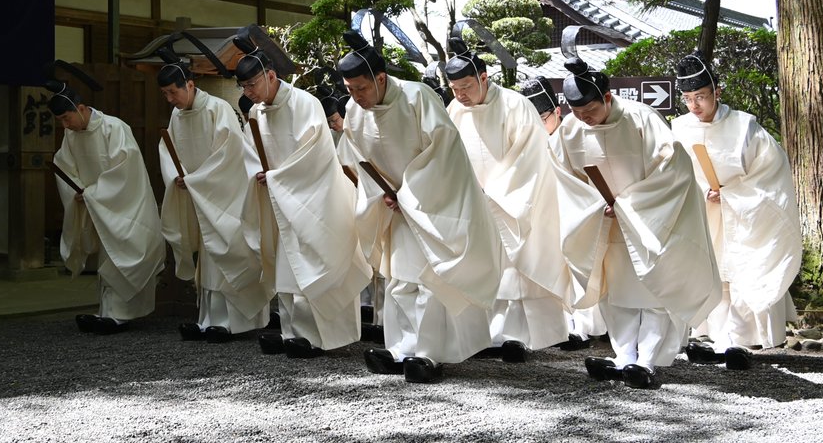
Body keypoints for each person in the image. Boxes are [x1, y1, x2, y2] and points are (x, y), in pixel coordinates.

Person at [337, 31, 502, 383]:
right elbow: (357, 159)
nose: (356, 97)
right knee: (401, 278)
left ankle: (428, 353)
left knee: (429, 280)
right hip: (396, 207)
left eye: (361, 88)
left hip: (433, 203)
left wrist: (408, 193)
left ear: (381, 78)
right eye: (350, 90)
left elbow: (442, 153)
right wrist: (380, 192)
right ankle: (402, 348)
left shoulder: (417, 97)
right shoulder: (354, 111)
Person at [549, 58, 721, 388]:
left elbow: (673, 167)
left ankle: (647, 360)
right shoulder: (571, 129)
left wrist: (628, 204)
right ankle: (624, 355)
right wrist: (592, 205)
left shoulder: (641, 118)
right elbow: (563, 175)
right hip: (604, 224)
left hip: (649, 221)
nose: (584, 119)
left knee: (655, 288)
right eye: (577, 113)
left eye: (590, 111)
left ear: (607, 98)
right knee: (616, 293)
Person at [235, 38, 370, 358]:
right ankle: (292, 332)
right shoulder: (255, 112)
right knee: (286, 267)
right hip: (279, 199)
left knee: (312, 262)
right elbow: (250, 152)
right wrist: (260, 176)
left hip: (312, 200)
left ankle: (317, 337)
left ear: (270, 75)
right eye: (243, 87)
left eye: (252, 84)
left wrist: (277, 177)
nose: (248, 92)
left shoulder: (304, 103)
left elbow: (314, 155)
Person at [445, 41, 574, 361]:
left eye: (466, 87)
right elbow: (449, 156)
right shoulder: (454, 111)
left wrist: (496, 194)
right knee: (481, 268)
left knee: (517, 268)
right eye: (454, 89)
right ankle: (484, 335)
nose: (460, 95)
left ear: (484, 77)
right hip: (474, 202)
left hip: (512, 201)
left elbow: (530, 157)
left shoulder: (516, 105)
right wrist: (467, 192)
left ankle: (519, 337)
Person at [670, 52, 801, 359]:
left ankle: (742, 338)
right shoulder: (679, 128)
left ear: (717, 92)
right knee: (710, 270)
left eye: (700, 97)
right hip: (702, 210)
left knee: (744, 269)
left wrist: (732, 194)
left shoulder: (744, 127)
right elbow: (672, 172)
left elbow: (771, 171)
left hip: (744, 211)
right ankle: (715, 335)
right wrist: (700, 191)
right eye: (688, 99)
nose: (694, 106)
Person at [156, 56, 272, 342]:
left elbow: (228, 154)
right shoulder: (176, 116)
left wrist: (195, 180)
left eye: (173, 91)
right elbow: (169, 151)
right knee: (209, 258)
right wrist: (177, 176)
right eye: (165, 94)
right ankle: (209, 318)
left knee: (228, 251)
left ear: (190, 84)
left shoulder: (218, 109)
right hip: (200, 194)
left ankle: (232, 322)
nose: (170, 99)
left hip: (225, 196)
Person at [49, 81, 164, 334]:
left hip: (125, 206)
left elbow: (125, 170)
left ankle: (120, 315)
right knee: (108, 256)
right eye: (60, 121)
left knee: (122, 254)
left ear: (80, 108)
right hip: (99, 206)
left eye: (66, 118)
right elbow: (65, 166)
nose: (65, 125)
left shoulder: (114, 128)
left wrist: (92, 193)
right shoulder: (71, 135)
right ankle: (107, 312)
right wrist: (78, 190)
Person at [518, 76, 606, 346]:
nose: (538, 125)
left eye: (542, 118)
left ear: (557, 112)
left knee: (582, 266)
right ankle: (563, 325)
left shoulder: (574, 133)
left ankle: (585, 326)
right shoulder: (530, 141)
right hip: (547, 212)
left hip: (578, 211)